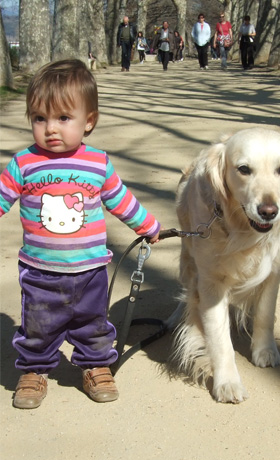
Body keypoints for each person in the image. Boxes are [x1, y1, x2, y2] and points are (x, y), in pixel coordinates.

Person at [0, 59, 161, 409]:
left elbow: (121, 200)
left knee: (93, 323)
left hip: (89, 270)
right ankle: (34, 369)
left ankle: (95, 364)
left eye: (62, 118)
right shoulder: (23, 163)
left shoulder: (97, 163)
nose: (50, 129)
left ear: (88, 121)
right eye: (39, 118)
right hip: (40, 271)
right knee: (38, 326)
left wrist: (148, 226)